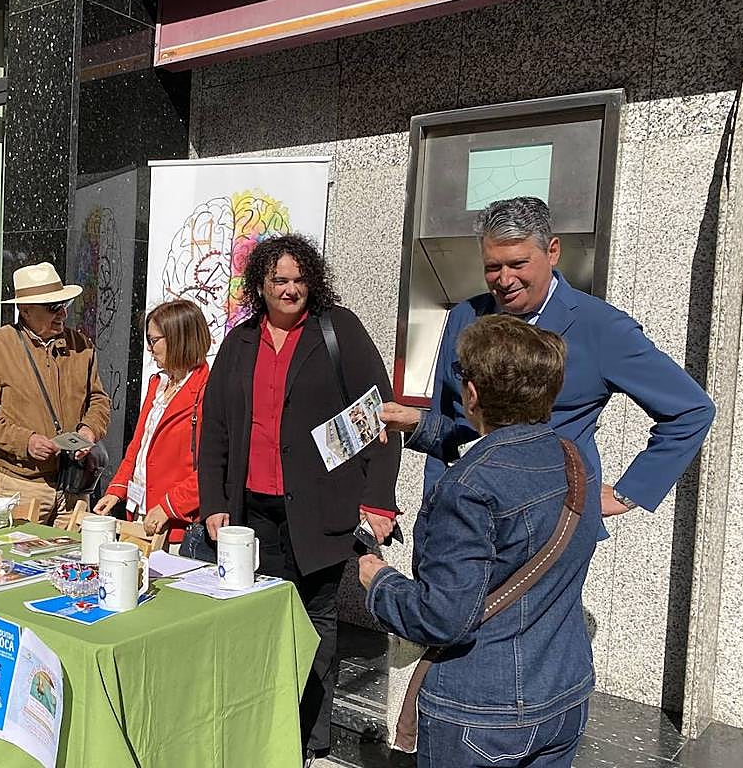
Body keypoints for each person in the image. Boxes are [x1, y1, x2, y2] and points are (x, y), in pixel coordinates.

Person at [197, 234, 402, 764]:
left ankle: (308, 738)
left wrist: (379, 500)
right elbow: (216, 428)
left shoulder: (339, 330)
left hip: (319, 510)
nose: (290, 290)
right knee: (253, 623)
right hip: (251, 516)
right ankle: (258, 726)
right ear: (259, 287)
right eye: (278, 281)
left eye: (299, 279)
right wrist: (215, 501)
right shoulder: (239, 342)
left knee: (316, 625)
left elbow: (382, 417)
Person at [361, 315, 598, 767]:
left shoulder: (465, 490)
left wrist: (380, 581)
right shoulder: (573, 459)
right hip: (563, 693)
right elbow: (508, 451)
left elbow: (442, 618)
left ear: (470, 395)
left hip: (481, 711)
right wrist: (418, 426)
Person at [381, 196, 714, 517]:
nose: (505, 279)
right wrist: (432, 504)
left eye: (518, 264)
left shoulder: (601, 327)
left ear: (552, 252)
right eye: (493, 267)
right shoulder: (464, 317)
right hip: (464, 514)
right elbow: (451, 423)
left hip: (550, 525)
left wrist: (630, 492)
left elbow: (691, 409)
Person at [0, 262, 111, 528]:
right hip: (21, 484)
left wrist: (89, 432)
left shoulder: (82, 345)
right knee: (21, 562)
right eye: (53, 307)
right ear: (25, 310)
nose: (62, 314)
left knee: (72, 560)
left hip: (74, 484)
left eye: (64, 305)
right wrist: (25, 441)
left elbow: (99, 400)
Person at [93, 299, 213, 557]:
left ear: (177, 338)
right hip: (139, 517)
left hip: (176, 525)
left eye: (154, 340)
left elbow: (211, 469)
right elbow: (138, 446)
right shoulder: (158, 384)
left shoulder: (208, 391)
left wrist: (169, 507)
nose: (149, 349)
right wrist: (116, 491)